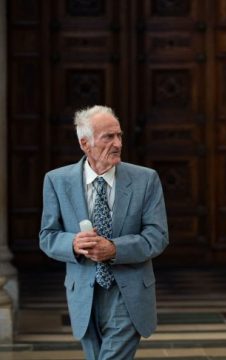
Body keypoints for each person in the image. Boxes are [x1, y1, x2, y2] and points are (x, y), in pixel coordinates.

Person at [39, 105, 169, 360]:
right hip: (83, 295)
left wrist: (115, 249)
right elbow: (47, 236)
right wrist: (74, 243)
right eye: (108, 137)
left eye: (119, 135)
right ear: (85, 143)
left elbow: (158, 236)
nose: (118, 143)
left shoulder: (146, 179)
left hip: (128, 292)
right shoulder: (57, 181)